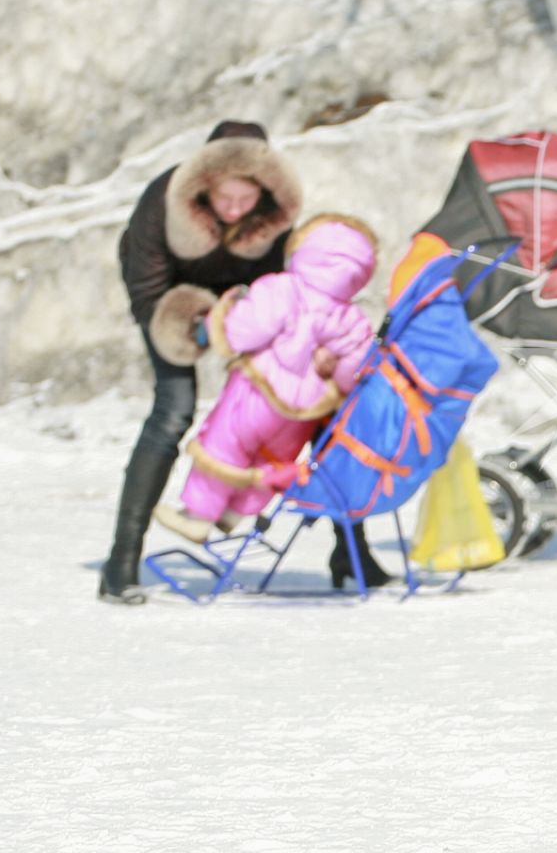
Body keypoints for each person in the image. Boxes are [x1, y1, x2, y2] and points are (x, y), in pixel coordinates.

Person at [98, 122, 388, 604]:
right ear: (205, 186)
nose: (233, 209)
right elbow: (148, 292)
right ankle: (120, 562)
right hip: (169, 301)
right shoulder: (164, 203)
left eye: (244, 199)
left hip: (256, 307)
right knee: (174, 408)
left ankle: (351, 549)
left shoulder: (274, 221)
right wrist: (189, 327)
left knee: (322, 411)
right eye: (224, 198)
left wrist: (312, 353)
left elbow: (292, 293)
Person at [149, 215, 378, 547]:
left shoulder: (283, 288)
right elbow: (352, 370)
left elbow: (245, 331)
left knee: (224, 444)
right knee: (269, 460)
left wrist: (225, 314)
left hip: (258, 392)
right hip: (303, 413)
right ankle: (235, 512)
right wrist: (328, 373)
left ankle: (198, 516)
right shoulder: (352, 318)